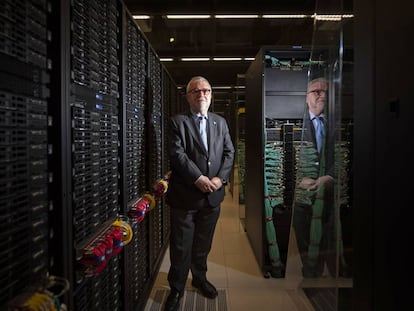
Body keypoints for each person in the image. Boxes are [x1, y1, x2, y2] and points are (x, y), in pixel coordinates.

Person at [164, 76, 235, 311]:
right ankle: (176, 288)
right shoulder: (177, 123)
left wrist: (219, 179)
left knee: (203, 243)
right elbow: (178, 155)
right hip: (185, 197)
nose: (201, 94)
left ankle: (200, 278)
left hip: (212, 196)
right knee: (181, 246)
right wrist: (199, 179)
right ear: (188, 97)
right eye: (195, 91)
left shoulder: (220, 122)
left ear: (211, 94)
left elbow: (229, 152)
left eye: (206, 90)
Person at [293, 77, 341, 278]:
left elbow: (343, 156)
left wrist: (330, 176)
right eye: (316, 91)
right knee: (304, 232)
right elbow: (291, 156)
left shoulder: (336, 125)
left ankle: (327, 269)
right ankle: (310, 270)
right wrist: (299, 179)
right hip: (304, 194)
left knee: (327, 233)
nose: (321, 94)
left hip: (329, 190)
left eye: (324, 92)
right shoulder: (298, 125)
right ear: (306, 97)